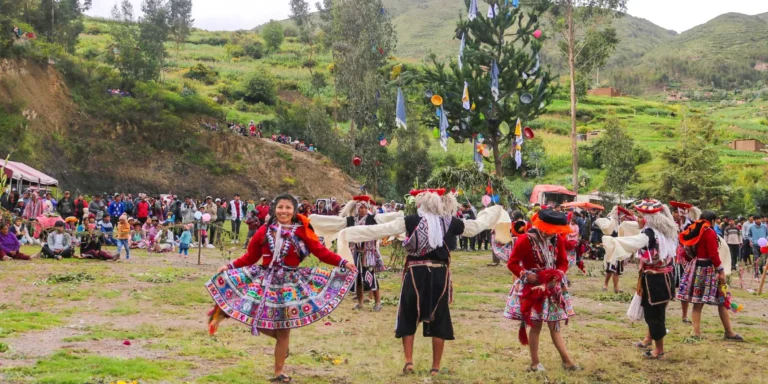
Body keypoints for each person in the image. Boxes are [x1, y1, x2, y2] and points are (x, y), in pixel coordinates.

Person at [206, 194, 357, 383]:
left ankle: (279, 373)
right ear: (274, 209)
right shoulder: (264, 230)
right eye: (280, 207)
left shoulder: (303, 230)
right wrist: (229, 267)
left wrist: (342, 262)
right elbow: (250, 257)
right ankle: (282, 345)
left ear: (294, 210)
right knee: (255, 319)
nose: (283, 211)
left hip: (290, 283)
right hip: (265, 281)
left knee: (284, 328)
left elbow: (320, 252)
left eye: (287, 207)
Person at [505, 209, 579, 372]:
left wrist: (557, 275)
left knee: (555, 325)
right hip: (533, 288)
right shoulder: (525, 240)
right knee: (536, 325)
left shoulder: (557, 239)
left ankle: (567, 361)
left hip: (552, 287)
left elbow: (563, 262)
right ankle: (534, 363)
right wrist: (526, 276)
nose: (554, 233)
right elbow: (512, 263)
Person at [623, 200, 679, 359]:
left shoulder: (649, 234)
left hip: (655, 279)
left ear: (647, 218)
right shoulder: (664, 231)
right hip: (665, 276)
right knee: (656, 311)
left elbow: (646, 256)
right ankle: (648, 339)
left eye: (640, 216)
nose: (638, 220)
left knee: (654, 314)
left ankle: (659, 350)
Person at [677, 211, 743, 342]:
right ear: (712, 221)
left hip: (696, 267)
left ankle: (697, 333)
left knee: (699, 302)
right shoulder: (709, 232)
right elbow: (713, 254)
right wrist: (721, 271)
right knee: (721, 300)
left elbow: (686, 250)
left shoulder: (694, 230)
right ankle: (728, 332)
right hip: (708, 269)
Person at [341, 196, 385, 311]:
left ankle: (378, 302)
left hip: (368, 253)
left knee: (371, 277)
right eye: (361, 208)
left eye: (365, 208)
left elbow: (381, 228)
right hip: (355, 253)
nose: (363, 210)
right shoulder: (351, 220)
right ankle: (360, 303)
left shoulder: (372, 219)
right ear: (357, 208)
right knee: (358, 278)